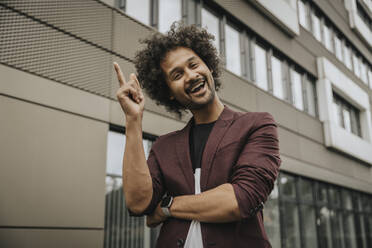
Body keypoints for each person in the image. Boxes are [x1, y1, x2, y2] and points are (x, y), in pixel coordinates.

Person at [113, 23, 281, 248]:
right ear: (169, 93)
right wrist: (133, 121)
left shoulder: (257, 125)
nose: (191, 76)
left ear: (209, 67)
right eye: (177, 74)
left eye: (194, 65)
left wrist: (166, 207)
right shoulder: (163, 146)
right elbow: (138, 203)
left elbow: (240, 199)